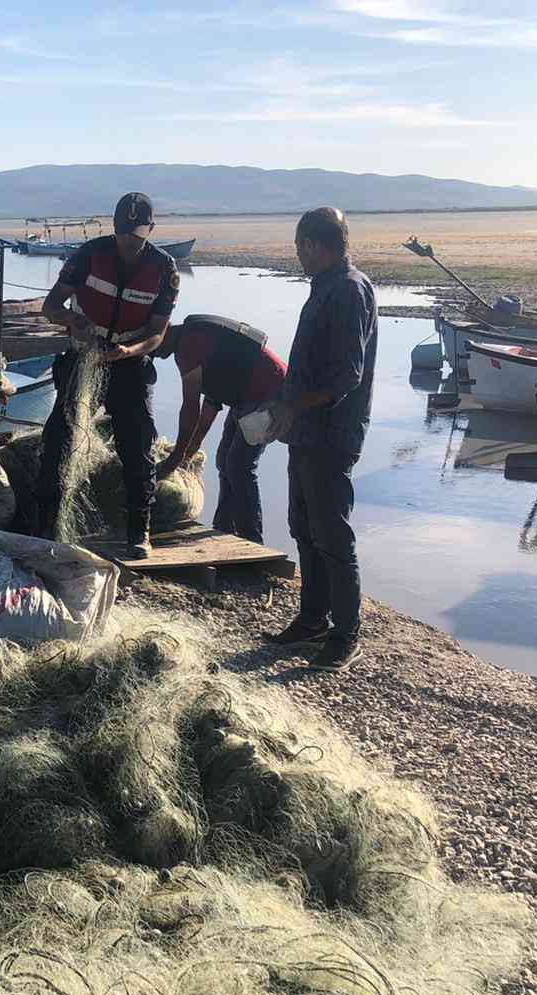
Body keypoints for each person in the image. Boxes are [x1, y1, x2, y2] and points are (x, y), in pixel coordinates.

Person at [261, 207, 378, 672]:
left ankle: (347, 633)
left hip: (332, 434)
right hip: (307, 433)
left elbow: (346, 375)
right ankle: (312, 619)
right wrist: (286, 408)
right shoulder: (326, 287)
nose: (297, 256)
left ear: (315, 244)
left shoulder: (348, 291)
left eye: (299, 247)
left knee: (332, 533)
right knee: (304, 527)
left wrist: (293, 406)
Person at [39, 192, 179, 557]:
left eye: (135, 234)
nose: (128, 241)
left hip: (130, 362)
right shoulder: (88, 255)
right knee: (59, 438)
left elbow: (157, 332)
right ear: (113, 228)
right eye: (122, 233)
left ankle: (138, 530)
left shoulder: (165, 270)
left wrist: (128, 352)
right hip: (84, 356)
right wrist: (73, 320)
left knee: (137, 445)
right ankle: (46, 522)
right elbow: (50, 306)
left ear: (150, 230)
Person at [153, 314, 287, 545]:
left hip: (270, 391)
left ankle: (251, 540)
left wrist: (176, 458)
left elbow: (190, 406)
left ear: (163, 332)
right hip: (245, 394)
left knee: (240, 465)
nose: (153, 353)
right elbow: (210, 404)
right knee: (224, 459)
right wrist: (190, 448)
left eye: (152, 345)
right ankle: (224, 528)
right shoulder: (191, 338)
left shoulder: (187, 346)